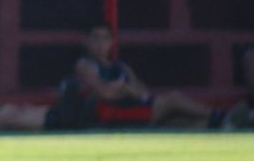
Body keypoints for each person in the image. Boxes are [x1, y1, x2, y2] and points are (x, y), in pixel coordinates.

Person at [75, 22, 224, 129]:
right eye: (96, 38)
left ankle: (221, 123)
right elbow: (105, 94)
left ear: (112, 42)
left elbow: (143, 93)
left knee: (180, 122)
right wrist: (125, 90)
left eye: (105, 38)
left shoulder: (121, 67)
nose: (101, 43)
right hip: (109, 115)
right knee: (173, 99)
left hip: (132, 110)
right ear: (87, 42)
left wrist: (123, 89)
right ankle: (217, 115)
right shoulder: (85, 65)